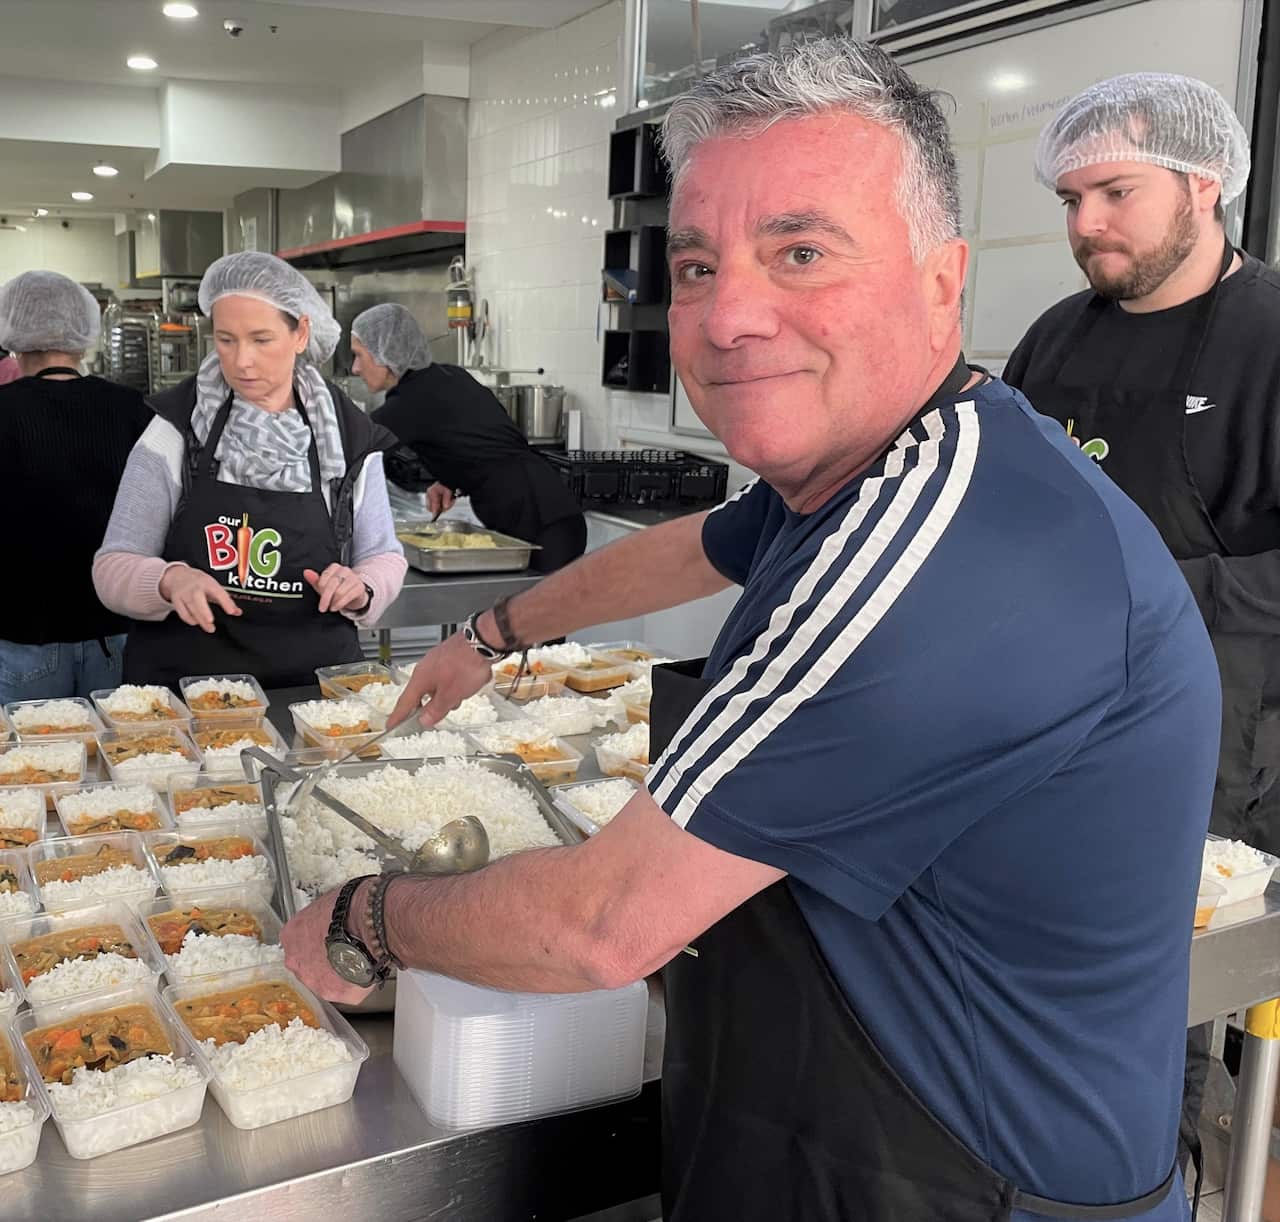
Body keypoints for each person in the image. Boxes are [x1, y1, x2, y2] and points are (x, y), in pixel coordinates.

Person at [283, 40, 1218, 1222]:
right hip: (837, 1130)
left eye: (801, 251)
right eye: (695, 263)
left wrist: (366, 919)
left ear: (943, 282)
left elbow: (597, 927)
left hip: (966, 1184)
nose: (726, 318)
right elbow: (693, 545)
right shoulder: (895, 458)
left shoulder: (940, 551)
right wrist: (491, 629)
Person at [1000, 70, 1266, 1192]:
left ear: (1202, 183)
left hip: (1213, 748)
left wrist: (1150, 597)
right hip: (1040, 737)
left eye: (1110, 192)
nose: (1083, 226)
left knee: (1184, 1012)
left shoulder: (1270, 338)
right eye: (1068, 200)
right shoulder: (1053, 338)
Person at [94, 251, 407, 689]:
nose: (241, 361)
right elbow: (111, 568)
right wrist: (167, 579)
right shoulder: (176, 430)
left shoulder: (348, 437)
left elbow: (384, 556)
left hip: (316, 696)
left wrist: (363, 586)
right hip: (187, 697)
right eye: (226, 339)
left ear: (301, 333)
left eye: (261, 340)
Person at [0, 272, 151, 701]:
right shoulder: (135, 410)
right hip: (120, 633)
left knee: (35, 762)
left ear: (12, 335)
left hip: (22, 636)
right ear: (86, 337)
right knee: (123, 759)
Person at [351, 303, 586, 573]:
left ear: (385, 354)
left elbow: (352, 449)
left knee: (537, 611)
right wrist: (451, 477)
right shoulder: (446, 377)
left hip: (542, 524)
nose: (355, 368)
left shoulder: (411, 400)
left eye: (359, 355)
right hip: (550, 508)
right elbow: (483, 437)